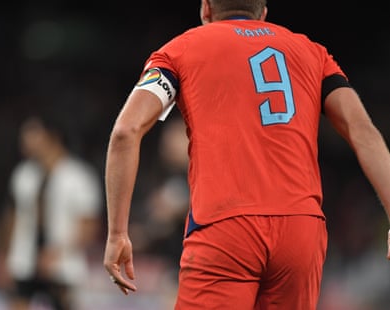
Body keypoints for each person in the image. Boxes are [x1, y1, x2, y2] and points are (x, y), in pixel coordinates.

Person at [103, 0, 390, 309]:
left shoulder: (179, 51)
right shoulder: (313, 53)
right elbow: (363, 131)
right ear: (263, 12)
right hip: (301, 229)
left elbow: (125, 131)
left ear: (206, 10)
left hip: (226, 224)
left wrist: (118, 233)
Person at [0, 112, 102, 310]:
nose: (25, 141)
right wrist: (3, 255)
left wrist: (59, 252)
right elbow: (12, 218)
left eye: (32, 134)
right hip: (24, 259)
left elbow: (88, 226)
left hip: (63, 264)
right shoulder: (23, 175)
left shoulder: (78, 177)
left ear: (51, 136)